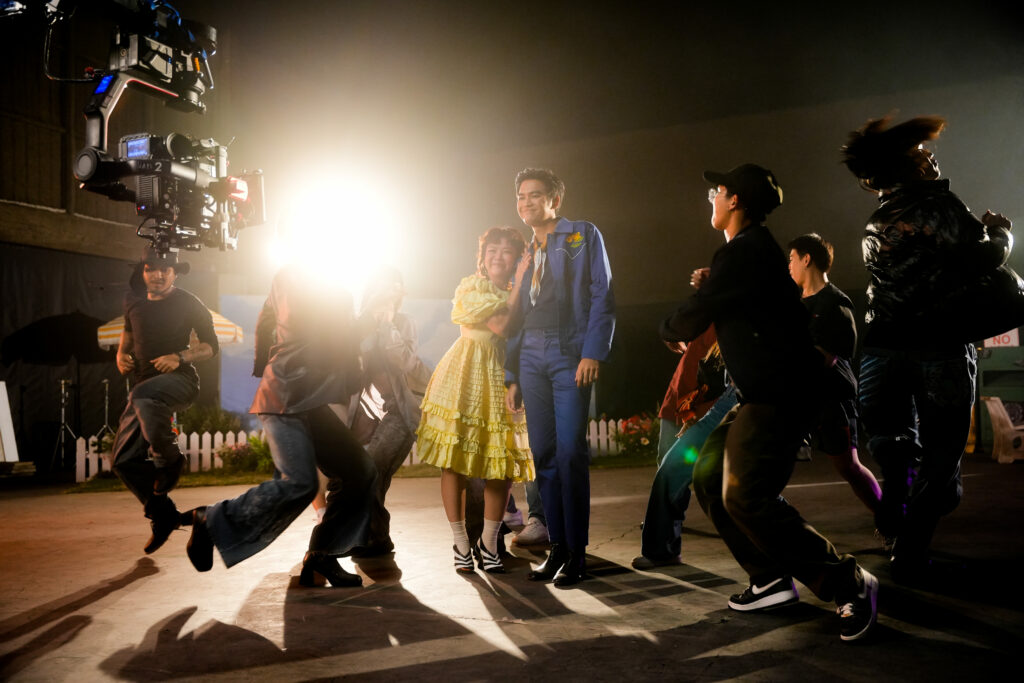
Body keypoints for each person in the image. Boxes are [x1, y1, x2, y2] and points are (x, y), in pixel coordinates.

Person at [661, 164, 878, 642]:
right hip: (759, 394)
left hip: (780, 394)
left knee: (747, 495)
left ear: (735, 200)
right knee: (708, 475)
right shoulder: (749, 254)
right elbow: (738, 300)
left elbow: (700, 311)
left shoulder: (746, 249)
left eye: (717, 192)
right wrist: (711, 287)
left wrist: (671, 328)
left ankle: (848, 582)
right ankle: (770, 578)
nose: (711, 199)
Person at [841, 115, 1013, 583]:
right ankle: (911, 547)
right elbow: (985, 258)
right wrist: (1002, 232)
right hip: (939, 349)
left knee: (892, 445)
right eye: (921, 151)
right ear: (908, 165)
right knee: (942, 455)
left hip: (882, 351)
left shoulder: (877, 218)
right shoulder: (941, 206)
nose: (930, 155)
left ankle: (895, 519)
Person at [183, 264, 377, 587]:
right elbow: (311, 331)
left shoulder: (327, 285)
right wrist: (366, 322)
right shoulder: (295, 279)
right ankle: (210, 520)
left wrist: (263, 361)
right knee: (300, 483)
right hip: (286, 397)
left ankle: (323, 552)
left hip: (310, 401)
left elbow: (267, 322)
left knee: (361, 471)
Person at [505, 168, 615, 587]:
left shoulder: (582, 235)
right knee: (543, 453)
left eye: (535, 195)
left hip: (569, 351)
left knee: (570, 452)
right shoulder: (525, 252)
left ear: (555, 200)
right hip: (530, 354)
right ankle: (557, 549)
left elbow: (602, 292)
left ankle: (577, 554)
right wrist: (513, 374)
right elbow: (516, 316)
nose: (526, 202)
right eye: (521, 196)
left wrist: (592, 351)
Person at [416, 227, 536, 574]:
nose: (497, 256)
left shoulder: (522, 292)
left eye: (507, 251)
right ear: (482, 256)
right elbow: (503, 326)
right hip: (465, 376)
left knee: (501, 463)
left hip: (502, 379)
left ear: (517, 259)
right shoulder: (471, 287)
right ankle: (460, 542)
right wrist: (518, 285)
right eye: (492, 250)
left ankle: (488, 542)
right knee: (453, 462)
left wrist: (519, 286)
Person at [111, 246, 217, 555]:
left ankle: (169, 459)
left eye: (165, 270)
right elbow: (127, 331)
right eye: (151, 269)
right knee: (122, 461)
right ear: (142, 271)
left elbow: (211, 346)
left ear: (175, 273)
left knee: (142, 394)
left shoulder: (189, 302)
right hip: (143, 390)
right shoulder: (132, 300)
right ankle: (164, 515)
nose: (157, 275)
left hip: (181, 382)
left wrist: (179, 356)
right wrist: (121, 353)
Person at [787, 233, 881, 515]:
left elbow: (824, 359)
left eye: (791, 259)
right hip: (801, 399)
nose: (788, 266)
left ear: (806, 259)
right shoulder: (794, 303)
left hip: (831, 398)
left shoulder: (835, 303)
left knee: (849, 467)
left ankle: (890, 520)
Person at [632, 326, 736, 569]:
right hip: (680, 396)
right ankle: (665, 543)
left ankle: (661, 547)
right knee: (666, 468)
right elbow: (673, 324)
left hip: (709, 402)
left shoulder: (731, 312)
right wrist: (670, 331)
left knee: (676, 471)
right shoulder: (699, 313)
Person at [354, 266, 432, 555]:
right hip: (371, 410)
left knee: (372, 468)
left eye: (394, 288)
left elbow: (405, 362)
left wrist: (388, 326)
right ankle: (372, 536)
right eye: (384, 287)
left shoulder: (403, 322)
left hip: (402, 408)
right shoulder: (360, 324)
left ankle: (375, 537)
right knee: (365, 473)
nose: (389, 293)